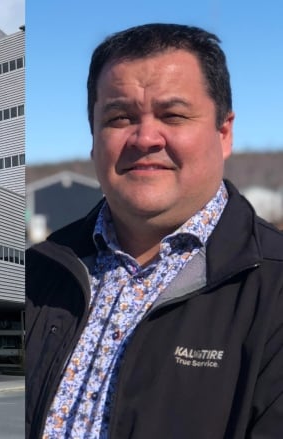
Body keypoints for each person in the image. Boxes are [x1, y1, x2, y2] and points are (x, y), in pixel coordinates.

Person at [25, 23, 283, 438]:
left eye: (173, 115)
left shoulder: (272, 289)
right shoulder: (40, 272)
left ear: (224, 133)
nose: (145, 137)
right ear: (94, 140)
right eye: (119, 117)